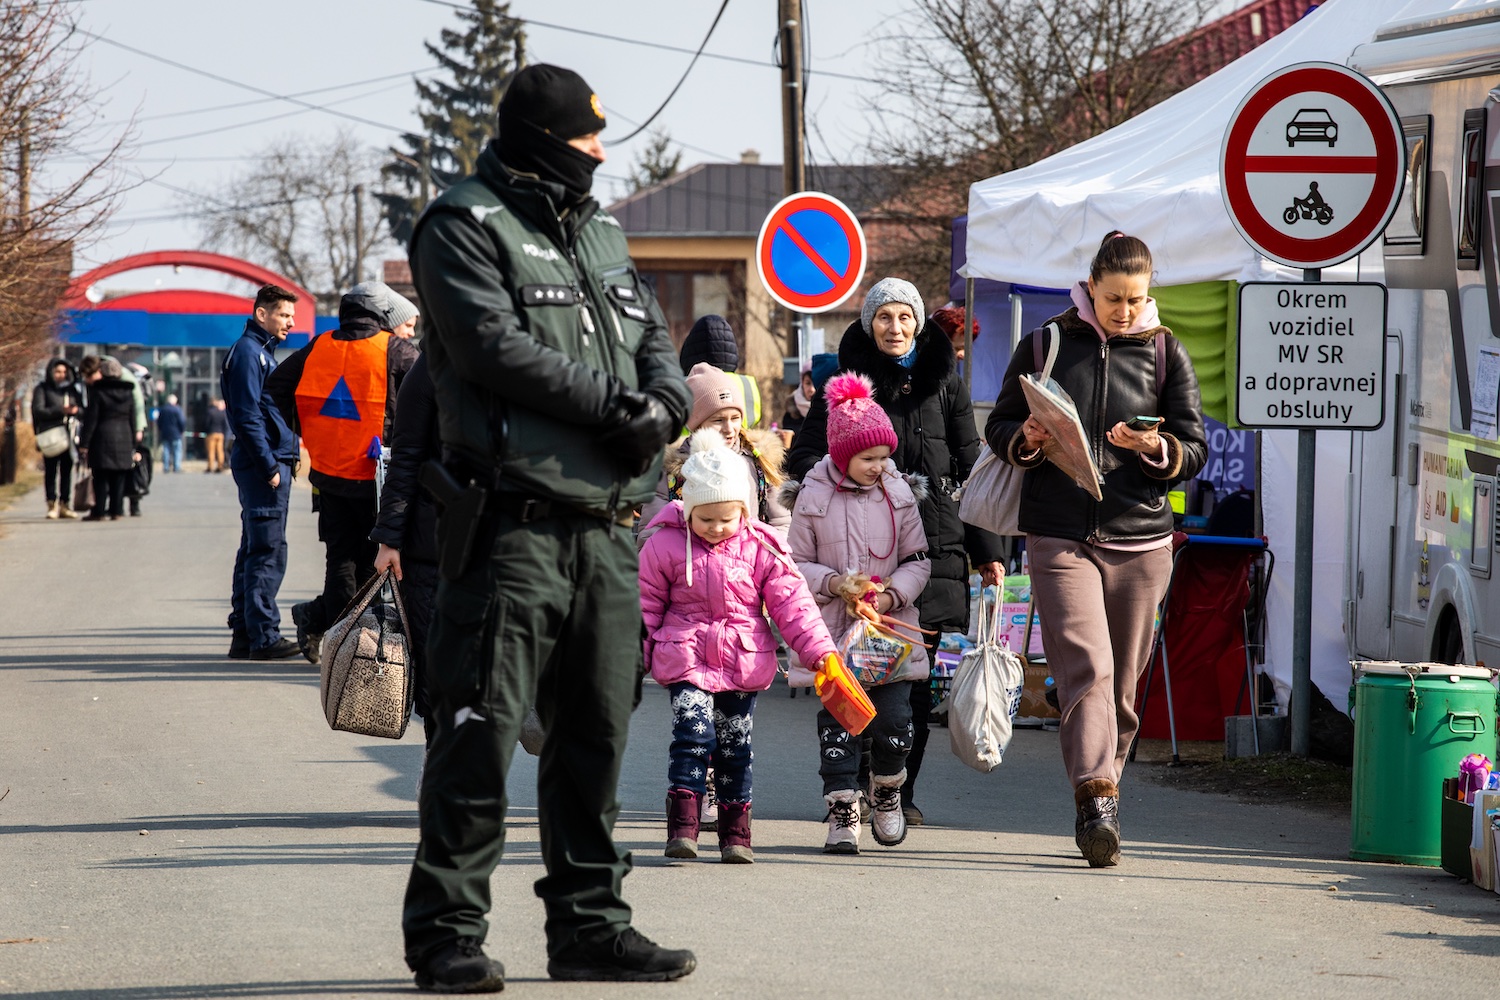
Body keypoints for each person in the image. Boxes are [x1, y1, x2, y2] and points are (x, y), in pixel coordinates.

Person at [401, 63, 695, 992]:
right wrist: (619, 409)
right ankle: (448, 935)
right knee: (477, 734)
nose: (601, 155)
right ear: (540, 142)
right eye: (586, 140)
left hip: (608, 529)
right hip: (511, 533)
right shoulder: (461, 225)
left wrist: (667, 401)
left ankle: (590, 928)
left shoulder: (601, 230)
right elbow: (492, 348)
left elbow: (653, 332)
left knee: (598, 737)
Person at [985, 231, 1206, 868]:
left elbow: (1194, 446)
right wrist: (1024, 437)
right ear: (1091, 287)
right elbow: (999, 424)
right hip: (1060, 534)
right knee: (1088, 667)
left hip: (1142, 540)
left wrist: (1155, 450)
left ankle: (1105, 785)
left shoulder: (1167, 355)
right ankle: (1095, 796)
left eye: (1136, 299)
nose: (1125, 311)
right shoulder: (1047, 342)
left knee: (1125, 688)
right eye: (1114, 299)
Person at [788, 278, 1005, 826]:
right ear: (868, 323)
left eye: (904, 316)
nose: (895, 327)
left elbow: (970, 462)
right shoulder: (846, 383)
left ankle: (896, 789)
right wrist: (834, 489)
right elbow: (810, 454)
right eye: (883, 317)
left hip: (929, 547)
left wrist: (987, 549)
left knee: (911, 684)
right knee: (854, 673)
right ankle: (853, 786)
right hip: (857, 556)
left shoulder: (947, 383)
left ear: (918, 322)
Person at [639, 430, 836, 863]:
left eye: (726, 518)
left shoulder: (761, 546)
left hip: (741, 660)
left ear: (744, 511)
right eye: (705, 519)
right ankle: (684, 827)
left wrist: (820, 652)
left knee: (735, 747)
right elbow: (645, 604)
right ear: (688, 511)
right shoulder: (664, 545)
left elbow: (793, 604)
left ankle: (735, 834)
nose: (716, 528)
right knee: (691, 737)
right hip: (686, 655)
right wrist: (635, 653)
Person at [785, 372, 931, 854]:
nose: (879, 466)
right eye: (868, 458)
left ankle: (887, 791)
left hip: (888, 633)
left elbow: (917, 560)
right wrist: (834, 584)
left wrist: (890, 597)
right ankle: (843, 806)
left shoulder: (899, 493)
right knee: (839, 726)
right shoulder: (813, 495)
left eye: (884, 456)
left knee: (895, 723)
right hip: (832, 633)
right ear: (844, 456)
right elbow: (795, 563)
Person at [268, 281, 420, 664]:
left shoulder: (319, 346)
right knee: (374, 562)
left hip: (327, 475)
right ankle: (353, 648)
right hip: (377, 477)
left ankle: (334, 636)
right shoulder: (396, 349)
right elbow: (430, 397)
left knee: (341, 562)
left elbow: (276, 388)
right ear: (382, 315)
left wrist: (308, 430)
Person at [221, 284, 303, 661]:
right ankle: (264, 637)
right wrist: (269, 464)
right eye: (284, 314)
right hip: (263, 464)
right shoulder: (249, 355)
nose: (291, 321)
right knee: (268, 549)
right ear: (262, 314)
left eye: (291, 314)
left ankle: (245, 633)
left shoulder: (260, 352)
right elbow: (248, 416)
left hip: (269, 459)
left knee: (255, 546)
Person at [370, 352, 441, 746]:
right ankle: (442, 776)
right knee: (435, 671)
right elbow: (405, 458)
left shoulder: (519, 361)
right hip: (432, 549)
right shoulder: (429, 369)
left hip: (503, 551)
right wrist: (389, 540)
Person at [638, 362, 788, 547]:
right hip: (689, 568)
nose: (729, 428)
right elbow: (651, 533)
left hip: (750, 567)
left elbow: (781, 523)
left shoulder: (757, 462)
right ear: (696, 424)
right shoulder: (671, 471)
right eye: (718, 420)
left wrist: (764, 557)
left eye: (735, 418)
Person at [78, 358, 139, 521]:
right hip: (124, 436)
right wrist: (134, 442)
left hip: (102, 436)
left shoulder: (98, 391)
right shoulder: (128, 392)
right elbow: (133, 418)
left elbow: (92, 419)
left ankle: (99, 511)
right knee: (119, 477)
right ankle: (117, 510)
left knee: (100, 476)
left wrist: (84, 443)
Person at [678, 314, 762, 428]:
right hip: (741, 443)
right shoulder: (747, 383)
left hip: (688, 444)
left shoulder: (679, 386)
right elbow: (754, 420)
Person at [32, 358, 82, 519]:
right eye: (58, 372)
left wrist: (75, 411)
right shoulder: (42, 389)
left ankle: (65, 504)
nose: (61, 375)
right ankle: (51, 503)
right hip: (51, 435)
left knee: (67, 471)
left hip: (70, 435)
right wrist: (61, 410)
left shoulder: (72, 390)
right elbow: (38, 410)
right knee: (51, 471)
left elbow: (82, 410)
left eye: (64, 372)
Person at [781, 368, 814, 437]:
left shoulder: (830, 410)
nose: (811, 389)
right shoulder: (792, 408)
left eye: (816, 383)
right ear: (802, 385)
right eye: (808, 383)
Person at [157, 394, 185, 473]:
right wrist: (181, 430)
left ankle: (166, 467)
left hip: (165, 433)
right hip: (176, 433)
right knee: (177, 450)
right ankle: (176, 467)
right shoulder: (177, 409)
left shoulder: (163, 409)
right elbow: (182, 421)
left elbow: (159, 421)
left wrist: (161, 429)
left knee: (166, 450)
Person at [204, 398, 229, 473]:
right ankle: (220, 466)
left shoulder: (210, 412)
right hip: (220, 433)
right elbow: (225, 424)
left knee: (211, 451)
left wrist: (206, 430)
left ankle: (210, 466)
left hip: (211, 433)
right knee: (220, 451)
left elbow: (207, 423)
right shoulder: (222, 413)